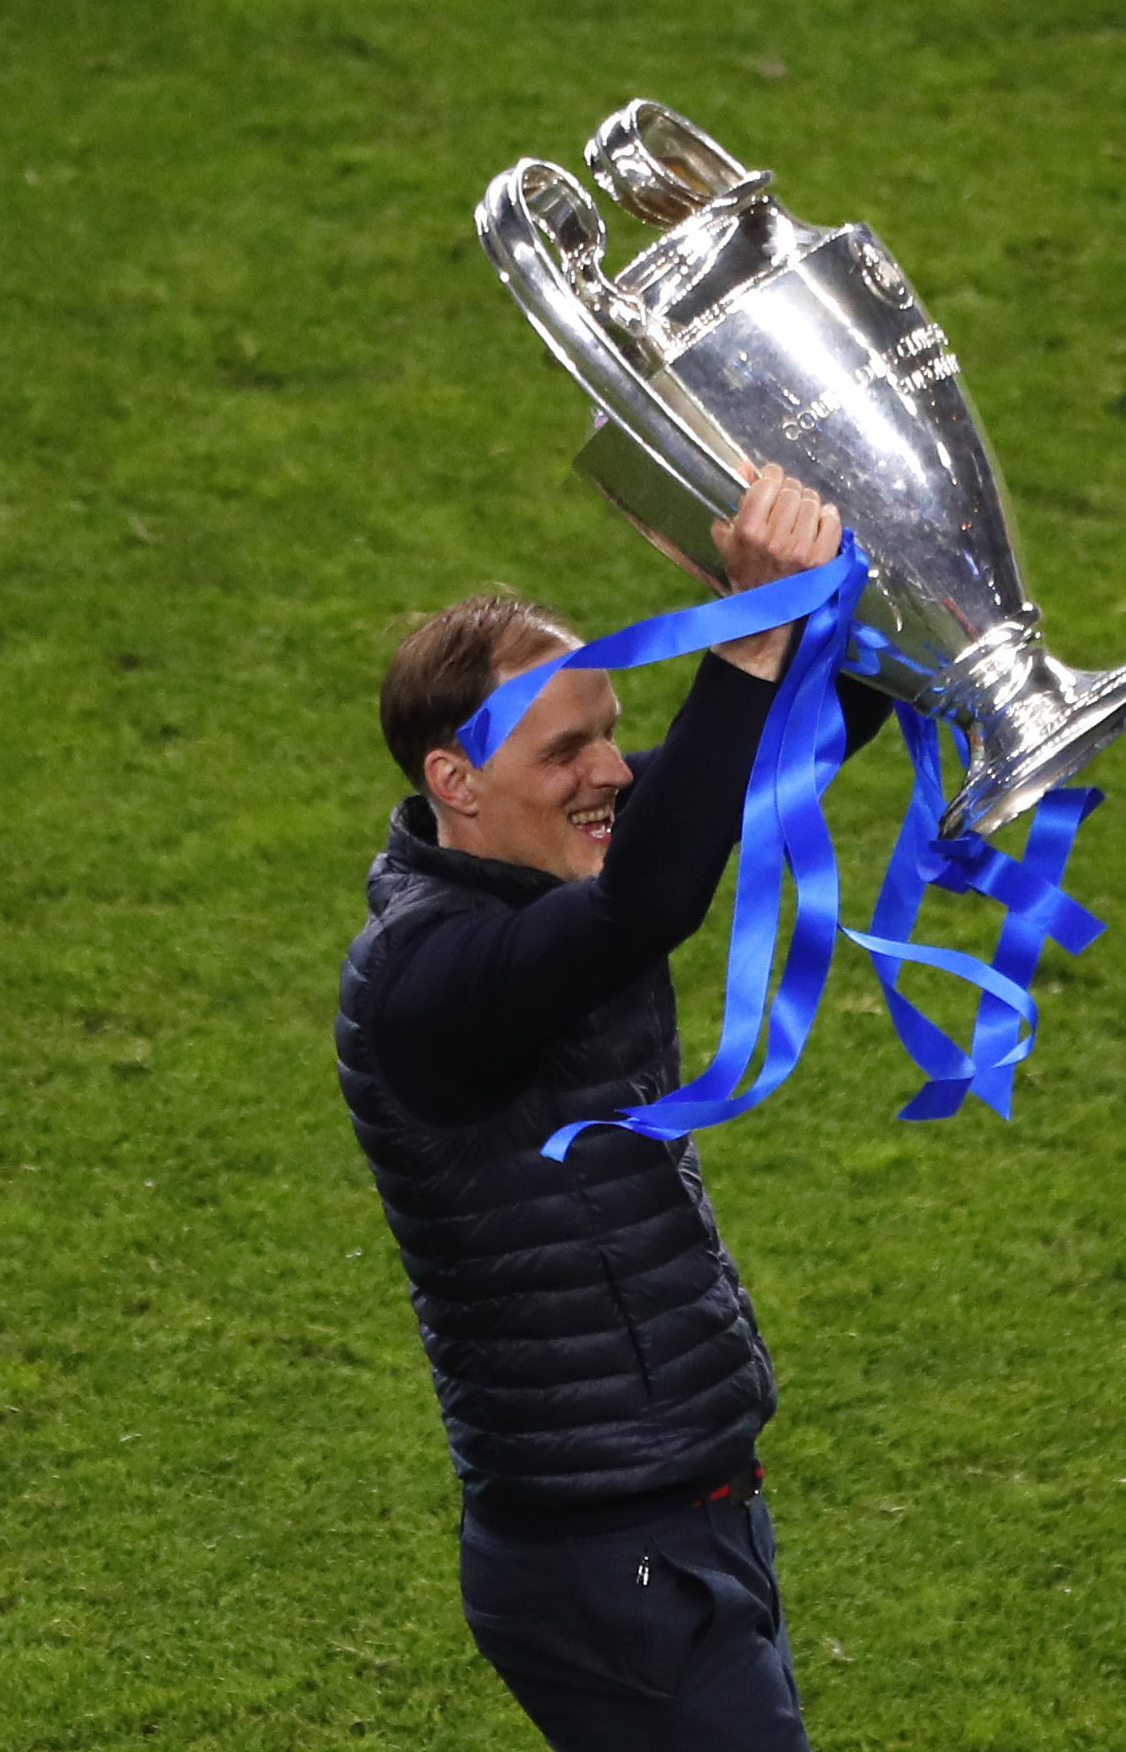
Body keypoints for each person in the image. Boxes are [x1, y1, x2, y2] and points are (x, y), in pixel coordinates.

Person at [334, 465, 889, 1752]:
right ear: (454, 782)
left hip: (681, 1518)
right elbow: (649, 898)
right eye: (565, 749)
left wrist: (845, 597)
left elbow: (767, 754)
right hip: (606, 1563)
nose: (610, 772)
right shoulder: (427, 979)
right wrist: (745, 641)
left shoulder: (549, 890)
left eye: (610, 729)